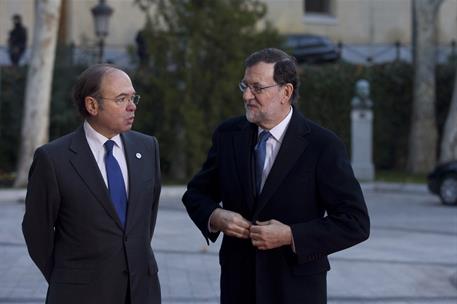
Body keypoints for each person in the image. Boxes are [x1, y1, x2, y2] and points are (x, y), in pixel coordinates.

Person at [182, 48, 370, 304]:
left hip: (295, 290)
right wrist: (215, 216)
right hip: (239, 287)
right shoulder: (228, 135)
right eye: (244, 86)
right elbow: (196, 194)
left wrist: (291, 235)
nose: (247, 96)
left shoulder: (322, 145)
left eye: (257, 88)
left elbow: (355, 222)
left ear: (286, 92)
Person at [22, 64, 161, 304]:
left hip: (141, 291)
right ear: (92, 105)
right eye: (122, 99)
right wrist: (68, 277)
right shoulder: (54, 158)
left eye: (133, 97)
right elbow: (36, 232)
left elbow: (146, 220)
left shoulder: (147, 148)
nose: (132, 105)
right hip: (79, 294)